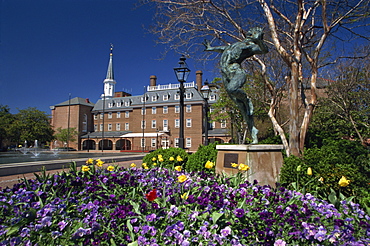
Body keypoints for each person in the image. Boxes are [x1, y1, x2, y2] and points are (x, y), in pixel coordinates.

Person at [203, 27, 268, 143]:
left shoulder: (250, 47)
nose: (249, 35)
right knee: (241, 107)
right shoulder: (236, 45)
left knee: (232, 89)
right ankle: (253, 131)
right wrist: (211, 48)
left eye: (253, 34)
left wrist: (259, 41)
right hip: (226, 75)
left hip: (236, 73)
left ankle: (246, 99)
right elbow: (224, 49)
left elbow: (264, 50)